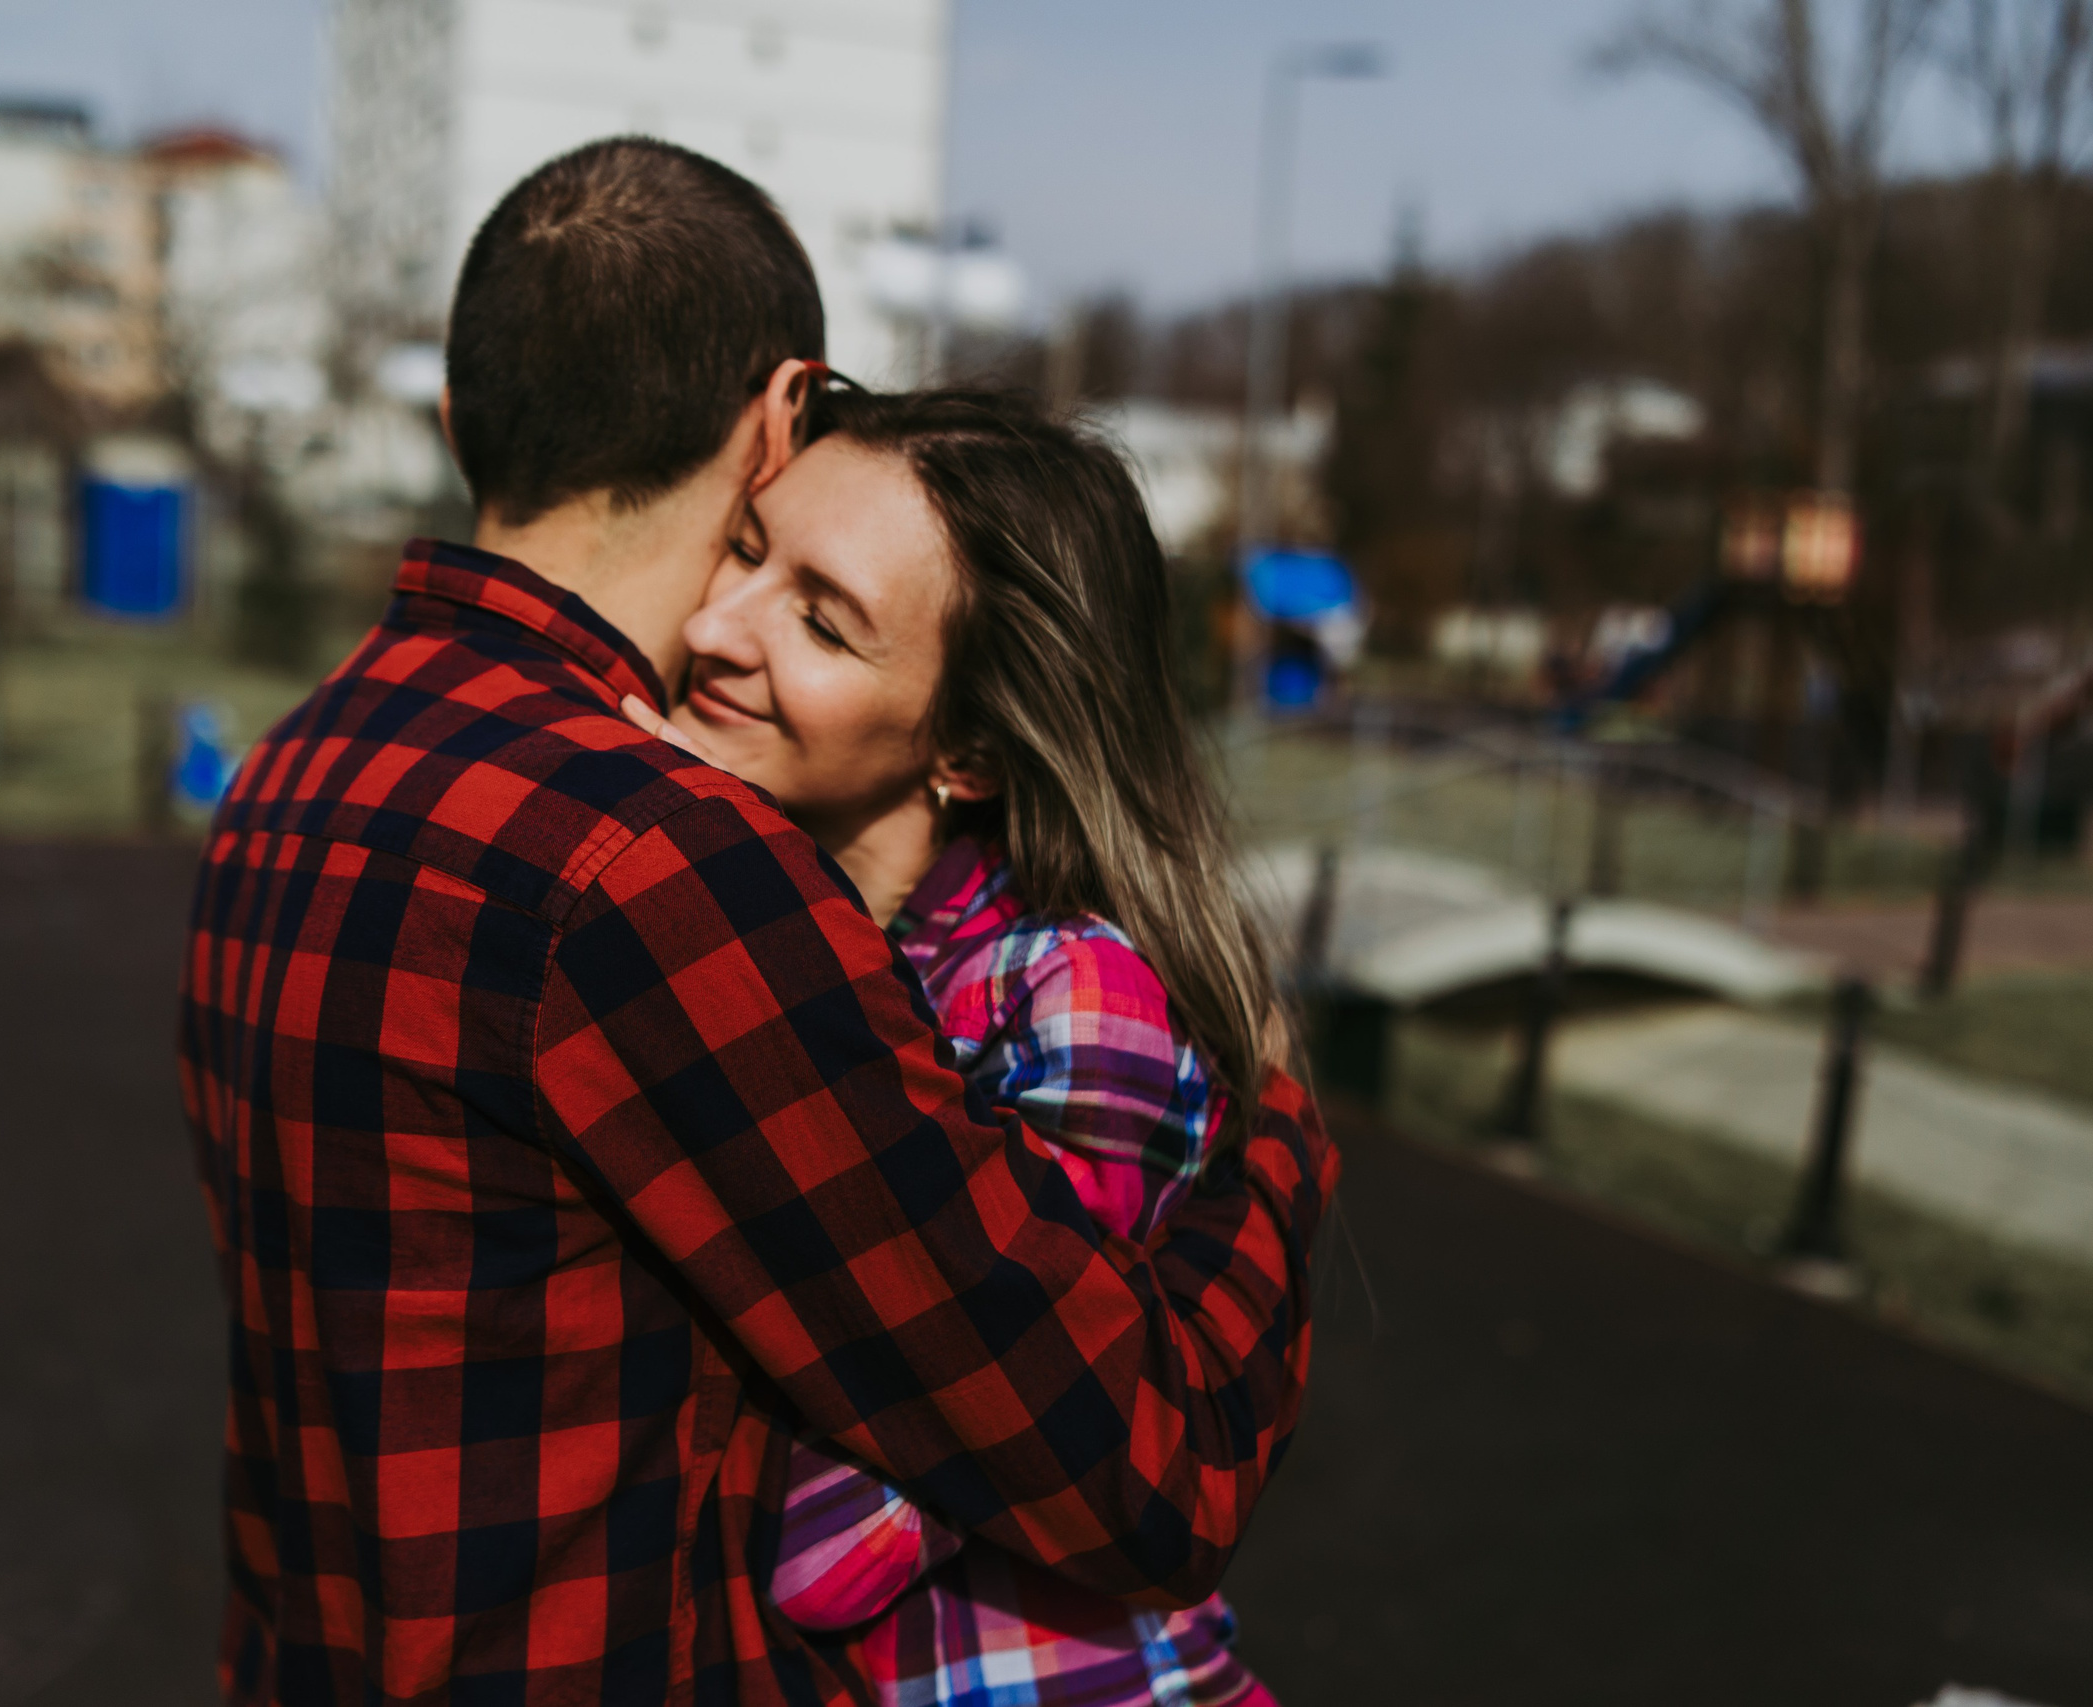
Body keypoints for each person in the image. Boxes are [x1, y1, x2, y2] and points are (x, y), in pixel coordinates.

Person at [178, 137, 1335, 1707]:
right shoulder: (652, 860)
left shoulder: (292, 772)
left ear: (460, 421)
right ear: (784, 414)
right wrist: (1273, 1125)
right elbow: (1139, 1475)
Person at [623, 387, 1284, 1706]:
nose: (713, 626)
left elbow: (835, 1556)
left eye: (821, 620)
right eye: (746, 550)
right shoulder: (866, 948)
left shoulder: (1076, 1000)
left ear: (967, 749)